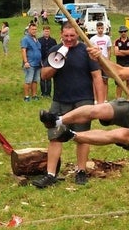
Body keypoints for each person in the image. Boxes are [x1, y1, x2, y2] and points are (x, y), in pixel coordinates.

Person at [34, 22, 102, 188]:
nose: (69, 39)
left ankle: (81, 171)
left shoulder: (87, 51)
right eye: (66, 36)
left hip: (83, 100)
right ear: (61, 34)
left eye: (72, 36)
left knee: (82, 137)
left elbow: (97, 76)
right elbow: (44, 76)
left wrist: (100, 105)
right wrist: (58, 60)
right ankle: (50, 175)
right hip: (60, 100)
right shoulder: (54, 50)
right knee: (55, 136)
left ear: (78, 34)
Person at [89, 22, 112, 102]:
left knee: (105, 80)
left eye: (101, 28)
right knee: (96, 80)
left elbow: (109, 49)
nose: (100, 30)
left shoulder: (107, 38)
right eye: (99, 28)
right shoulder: (92, 39)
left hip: (105, 61)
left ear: (104, 28)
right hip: (96, 61)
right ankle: (96, 99)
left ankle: (105, 98)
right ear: (96, 29)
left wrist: (108, 60)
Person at [21, 23, 42, 102]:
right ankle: (26, 96)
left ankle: (34, 95)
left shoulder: (36, 39)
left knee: (35, 80)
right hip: (30, 63)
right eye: (32, 29)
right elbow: (23, 50)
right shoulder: (25, 39)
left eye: (35, 29)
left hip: (38, 63)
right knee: (28, 80)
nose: (34, 31)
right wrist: (26, 61)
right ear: (29, 30)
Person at [114, 26, 129, 99]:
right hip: (119, 63)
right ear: (119, 33)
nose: (123, 33)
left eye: (125, 31)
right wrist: (127, 52)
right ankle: (118, 98)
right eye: (121, 32)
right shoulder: (117, 41)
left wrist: (121, 51)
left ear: (127, 32)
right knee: (119, 82)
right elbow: (116, 53)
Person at [38, 25, 57, 98]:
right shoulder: (39, 40)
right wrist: (40, 61)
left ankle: (48, 93)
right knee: (42, 77)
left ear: (50, 32)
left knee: (49, 78)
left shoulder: (53, 41)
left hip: (50, 60)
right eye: (45, 31)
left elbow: (55, 51)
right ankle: (43, 93)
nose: (46, 33)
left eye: (48, 31)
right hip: (42, 60)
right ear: (43, 32)